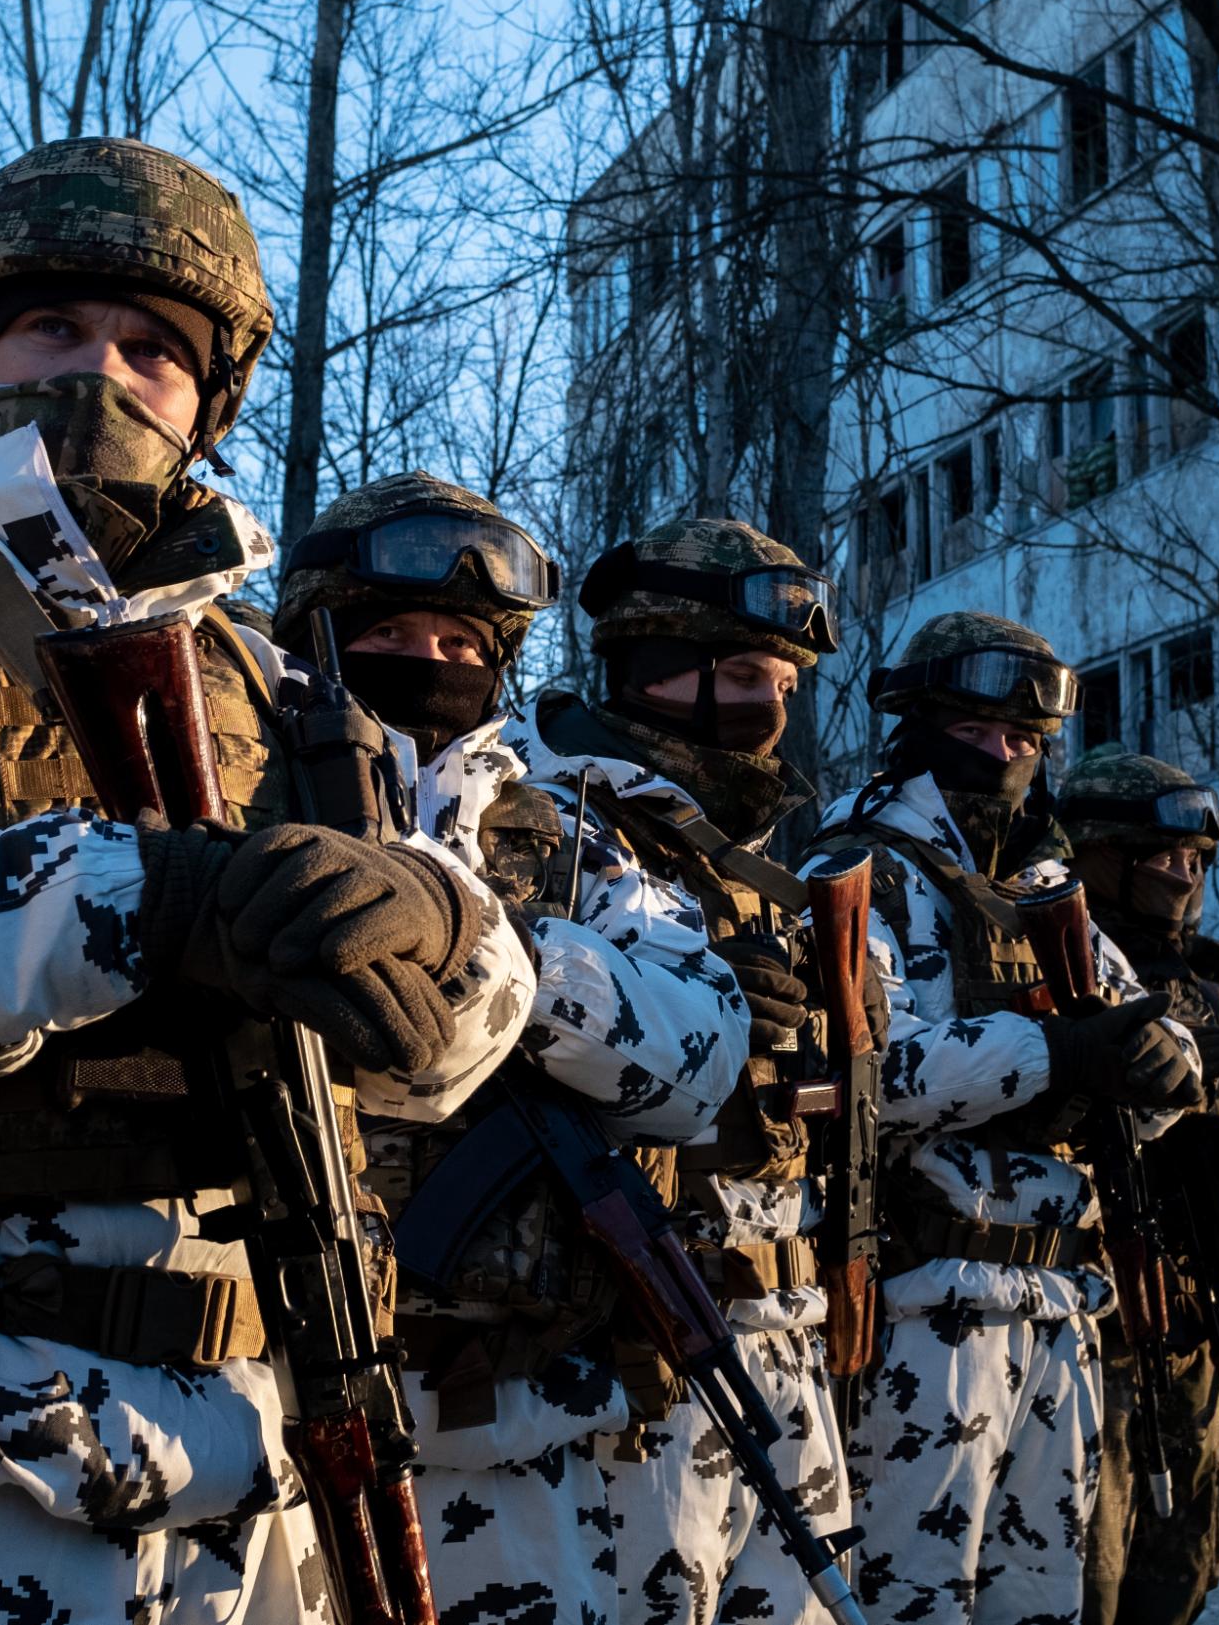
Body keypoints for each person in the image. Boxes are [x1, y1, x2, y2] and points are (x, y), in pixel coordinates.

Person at [0, 137, 537, 1622]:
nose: (103, 375)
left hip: (262, 1458)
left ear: (209, 402)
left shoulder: (276, 688)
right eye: (54, 327)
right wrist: (152, 901)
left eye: (153, 350)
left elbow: (451, 1045)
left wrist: (444, 944)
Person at [275, 481, 756, 1624]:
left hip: (514, 1419)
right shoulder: (243, 788)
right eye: (390, 635)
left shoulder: (555, 828)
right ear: (318, 633)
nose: (430, 662)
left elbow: (705, 1051)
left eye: (459, 642)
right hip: (269, 1418)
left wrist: (484, 947)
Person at [494, 517, 863, 1625]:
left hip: (781, 1340)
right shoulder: (542, 815)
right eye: (747, 672)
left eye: (786, 680)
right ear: (662, 672)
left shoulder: (739, 854)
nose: (774, 706)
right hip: (640, 1355)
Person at [810, 611, 1202, 1624]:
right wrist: (1055, 1056)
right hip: (921, 1312)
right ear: (918, 726)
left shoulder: (1044, 887)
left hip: (1059, 1301)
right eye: (976, 732)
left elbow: (1149, 1050)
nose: (1001, 757)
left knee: (1041, 1604)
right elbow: (871, 1077)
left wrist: (1153, 1073)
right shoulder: (863, 870)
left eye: (1023, 741)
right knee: (912, 1601)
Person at [1063, 753, 1219, 1625]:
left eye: (1197, 859)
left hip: (1206, 1327)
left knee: (1182, 1579)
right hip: (1104, 1325)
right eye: (1163, 853)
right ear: (1099, 852)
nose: (1184, 873)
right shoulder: (1064, 967)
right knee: (1092, 1581)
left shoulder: (1210, 989)